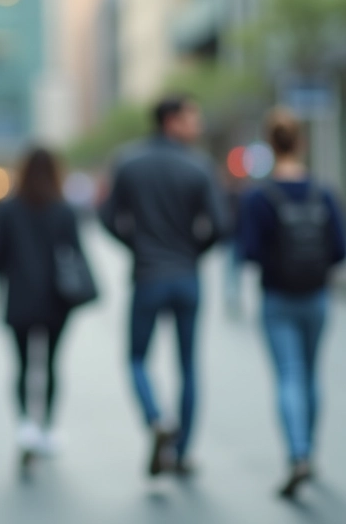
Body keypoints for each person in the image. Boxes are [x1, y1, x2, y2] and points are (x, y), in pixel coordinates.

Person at [98, 95, 228, 476]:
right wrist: (192, 251)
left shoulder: (128, 161)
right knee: (188, 366)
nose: (198, 125)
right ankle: (183, 453)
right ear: (171, 121)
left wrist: (136, 246)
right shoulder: (200, 165)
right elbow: (220, 225)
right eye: (193, 118)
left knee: (137, 358)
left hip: (148, 276)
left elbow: (107, 217)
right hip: (187, 277)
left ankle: (156, 420)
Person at [237, 108, 346, 499]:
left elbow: (248, 252)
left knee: (288, 375)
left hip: (277, 297)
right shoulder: (324, 192)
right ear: (301, 143)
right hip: (316, 297)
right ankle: (311, 453)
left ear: (270, 145)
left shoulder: (259, 197)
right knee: (312, 375)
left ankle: (296, 453)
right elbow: (341, 250)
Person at [0, 148, 89, 461]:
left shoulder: (8, 210)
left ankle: (25, 426)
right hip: (58, 300)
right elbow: (76, 253)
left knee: (22, 365)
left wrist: (10, 273)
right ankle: (48, 427)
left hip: (19, 296)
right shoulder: (64, 210)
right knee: (53, 365)